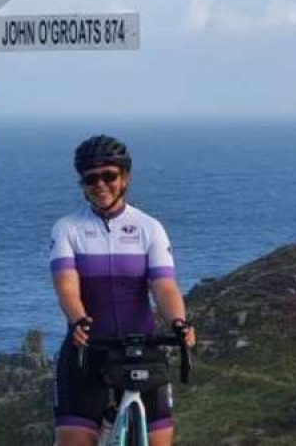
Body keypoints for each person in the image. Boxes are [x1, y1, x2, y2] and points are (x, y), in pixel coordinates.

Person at [50, 135, 196, 446]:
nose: (100, 184)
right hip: (88, 349)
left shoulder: (149, 228)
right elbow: (66, 284)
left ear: (125, 178)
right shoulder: (68, 228)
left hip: (142, 349)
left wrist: (178, 323)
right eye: (91, 178)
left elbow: (164, 286)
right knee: (74, 440)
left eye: (109, 176)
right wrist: (78, 319)